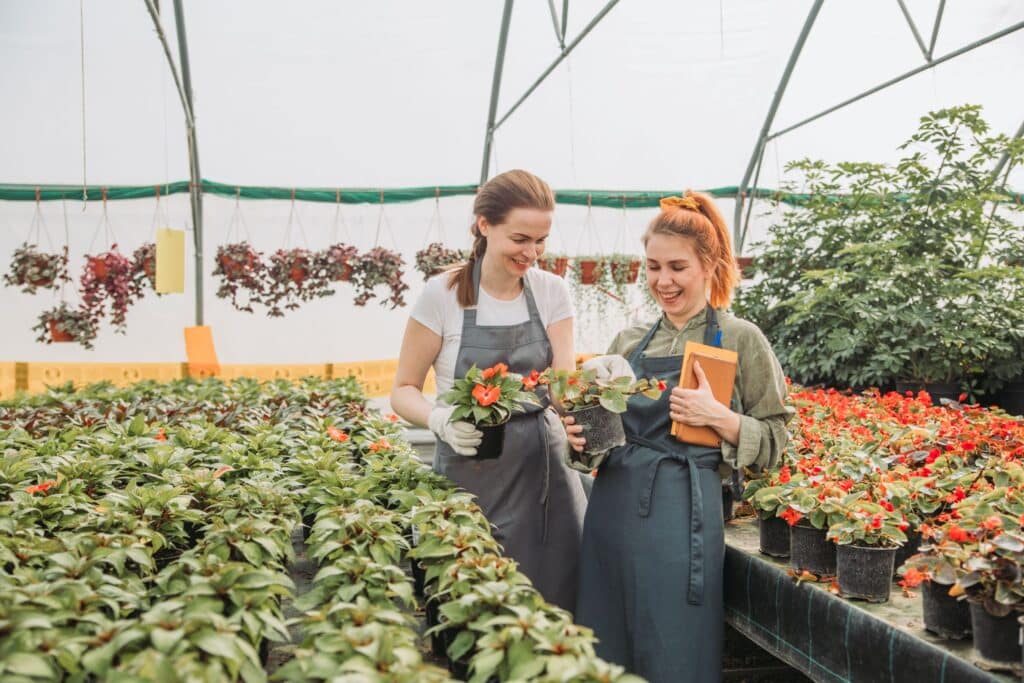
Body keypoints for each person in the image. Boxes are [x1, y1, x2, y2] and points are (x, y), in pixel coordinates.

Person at [564, 191, 793, 682]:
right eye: (652, 267)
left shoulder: (739, 337)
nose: (662, 282)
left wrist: (720, 418)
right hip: (612, 510)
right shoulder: (627, 343)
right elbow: (595, 447)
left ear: (709, 266)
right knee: (605, 642)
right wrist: (579, 436)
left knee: (674, 646)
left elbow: (776, 440)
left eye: (677, 267)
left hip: (681, 511)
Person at [391, 169, 586, 611]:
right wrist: (440, 419)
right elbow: (403, 389)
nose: (532, 253)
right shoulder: (442, 295)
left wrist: (595, 392)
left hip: (546, 478)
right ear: (484, 224)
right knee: (474, 605)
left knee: (556, 607)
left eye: (541, 240)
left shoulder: (552, 291)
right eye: (520, 238)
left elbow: (562, 386)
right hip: (469, 473)